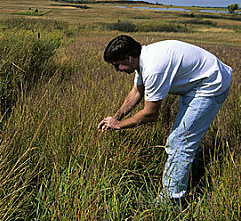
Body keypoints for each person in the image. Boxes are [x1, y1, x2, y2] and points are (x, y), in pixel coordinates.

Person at [97, 35, 232, 205]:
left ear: (129, 58)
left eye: (117, 65)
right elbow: (136, 92)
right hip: (195, 85)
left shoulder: (154, 67)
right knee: (183, 141)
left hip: (211, 85)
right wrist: (115, 117)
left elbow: (150, 114)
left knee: (179, 143)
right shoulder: (143, 60)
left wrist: (118, 125)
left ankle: (170, 202)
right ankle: (185, 178)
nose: (117, 70)